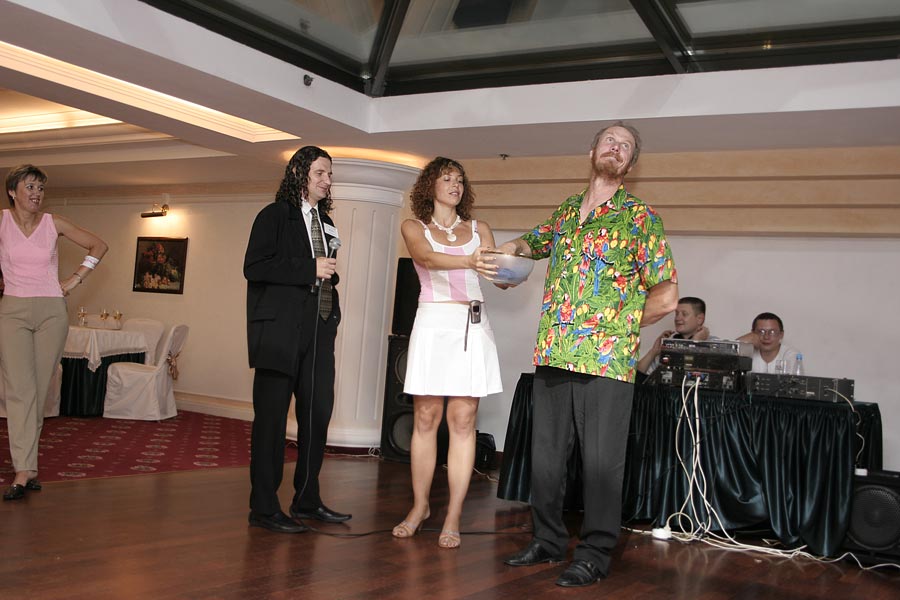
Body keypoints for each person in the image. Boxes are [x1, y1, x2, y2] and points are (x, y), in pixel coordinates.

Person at [495, 122, 678, 587]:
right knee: (546, 460)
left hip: (606, 361)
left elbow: (666, 296)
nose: (616, 148)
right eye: (610, 140)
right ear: (592, 150)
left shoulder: (640, 217)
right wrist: (507, 251)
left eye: (626, 146)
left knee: (601, 466)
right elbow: (531, 243)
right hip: (554, 353)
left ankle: (595, 553)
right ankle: (548, 540)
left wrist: (618, 328)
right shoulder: (567, 211)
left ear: (631, 164)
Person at [392, 157, 502, 549]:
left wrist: (507, 271)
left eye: (459, 180)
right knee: (425, 417)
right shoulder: (414, 227)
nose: (455, 185)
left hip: (472, 324)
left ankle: (453, 514)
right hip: (433, 322)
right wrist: (469, 260)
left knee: (463, 419)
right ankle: (420, 507)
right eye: (447, 179)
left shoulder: (480, 229)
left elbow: (497, 275)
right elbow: (426, 258)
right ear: (430, 187)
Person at [243, 146, 350, 533]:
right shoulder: (274, 215)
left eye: (330, 174)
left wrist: (328, 290)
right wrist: (310, 268)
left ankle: (307, 499)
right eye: (320, 173)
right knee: (271, 423)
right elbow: (254, 267)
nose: (327, 180)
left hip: (318, 331)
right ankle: (264, 507)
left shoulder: (326, 221)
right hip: (279, 333)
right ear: (298, 174)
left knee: (317, 415)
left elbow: (327, 272)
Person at [1, 164, 108, 501]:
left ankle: (27, 467)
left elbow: (98, 246)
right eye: (30, 187)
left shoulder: (54, 223)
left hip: (51, 312)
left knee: (37, 389)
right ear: (12, 192)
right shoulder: (1, 222)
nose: (37, 194)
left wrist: (75, 280)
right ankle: (24, 469)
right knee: (19, 391)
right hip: (12, 311)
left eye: (41, 188)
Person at [636, 296, 711, 378]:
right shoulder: (668, 346)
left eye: (684, 314)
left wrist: (695, 343)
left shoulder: (714, 345)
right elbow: (636, 377)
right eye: (677, 314)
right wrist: (653, 351)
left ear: (699, 319)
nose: (677, 318)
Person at [737, 312, 801, 373]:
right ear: (753, 333)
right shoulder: (747, 352)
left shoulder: (790, 354)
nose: (766, 337)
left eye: (772, 332)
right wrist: (742, 340)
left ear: (781, 335)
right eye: (761, 331)